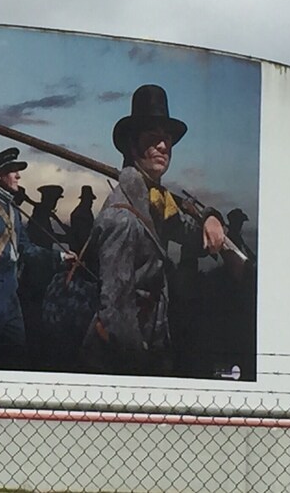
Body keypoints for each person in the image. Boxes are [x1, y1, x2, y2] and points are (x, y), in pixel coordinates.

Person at [82, 84, 225, 375]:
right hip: (122, 360)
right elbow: (116, 315)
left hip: (152, 340)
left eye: (167, 139)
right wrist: (142, 371)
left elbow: (192, 236)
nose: (163, 146)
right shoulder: (121, 218)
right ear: (133, 146)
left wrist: (211, 216)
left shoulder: (157, 201)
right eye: (153, 138)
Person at [0, 148, 73, 368]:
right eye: (13, 171)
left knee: (18, 358)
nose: (18, 176)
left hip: (11, 295)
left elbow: (26, 249)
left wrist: (60, 257)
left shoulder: (13, 210)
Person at [68, 185, 97, 254]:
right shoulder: (79, 214)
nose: (92, 202)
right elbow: (83, 236)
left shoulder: (86, 211)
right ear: (85, 200)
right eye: (90, 200)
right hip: (81, 251)